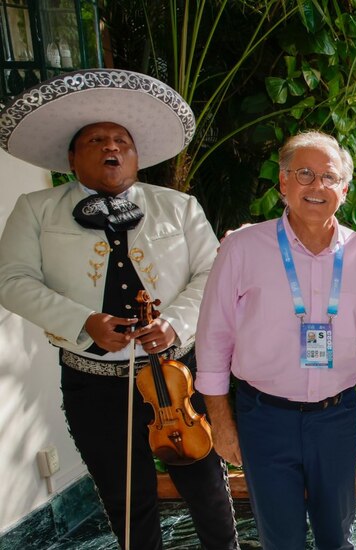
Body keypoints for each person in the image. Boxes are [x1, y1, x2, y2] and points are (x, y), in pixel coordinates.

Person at [0, 69, 237, 549]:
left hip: (175, 376)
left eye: (121, 141)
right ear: (72, 156)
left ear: (135, 155)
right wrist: (81, 323)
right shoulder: (37, 208)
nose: (112, 147)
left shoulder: (180, 206)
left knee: (207, 489)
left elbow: (214, 274)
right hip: (94, 383)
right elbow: (11, 280)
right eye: (96, 140)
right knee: (127, 499)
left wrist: (174, 323)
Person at [195, 131, 356, 549]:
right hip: (265, 417)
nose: (317, 186)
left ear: (345, 190)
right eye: (304, 173)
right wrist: (221, 422)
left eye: (328, 177)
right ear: (283, 183)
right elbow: (213, 339)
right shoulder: (242, 249)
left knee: (337, 537)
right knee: (280, 540)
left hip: (336, 417)